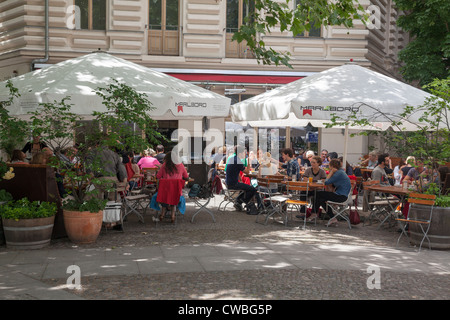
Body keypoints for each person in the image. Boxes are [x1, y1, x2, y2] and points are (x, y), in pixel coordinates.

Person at [310, 158, 352, 226]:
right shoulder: (340, 172)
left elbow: (326, 182)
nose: (328, 167)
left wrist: (331, 172)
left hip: (341, 197)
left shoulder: (338, 173)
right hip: (341, 195)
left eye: (329, 166)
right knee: (321, 199)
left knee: (318, 194)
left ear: (332, 166)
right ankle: (332, 218)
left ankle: (314, 213)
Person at [225, 145, 260, 215]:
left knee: (247, 187)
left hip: (229, 182)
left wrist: (240, 180)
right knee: (253, 189)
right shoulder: (238, 161)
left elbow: (235, 171)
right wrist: (249, 161)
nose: (245, 154)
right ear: (240, 153)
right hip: (233, 184)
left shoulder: (233, 159)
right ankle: (240, 201)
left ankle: (239, 201)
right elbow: (247, 172)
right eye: (244, 153)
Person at [156, 152, 189, 223]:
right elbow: (186, 177)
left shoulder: (164, 165)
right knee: (174, 195)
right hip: (177, 193)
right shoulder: (180, 165)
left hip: (165, 192)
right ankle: (173, 215)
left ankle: (162, 214)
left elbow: (158, 176)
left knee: (165, 196)